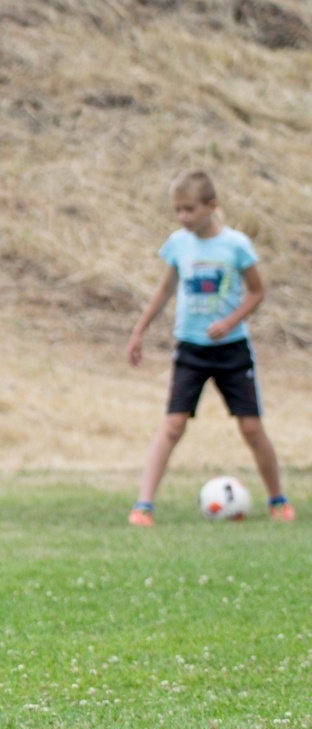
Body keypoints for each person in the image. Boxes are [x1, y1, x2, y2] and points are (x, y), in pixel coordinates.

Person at [125, 170, 294, 525]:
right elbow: (164, 290)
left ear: (211, 206)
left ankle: (278, 500)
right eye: (178, 209)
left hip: (232, 350)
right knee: (173, 425)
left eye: (190, 209)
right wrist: (139, 331)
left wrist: (230, 322)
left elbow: (257, 292)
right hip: (190, 350)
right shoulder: (178, 244)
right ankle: (143, 506)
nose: (183, 216)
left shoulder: (236, 245)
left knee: (251, 427)